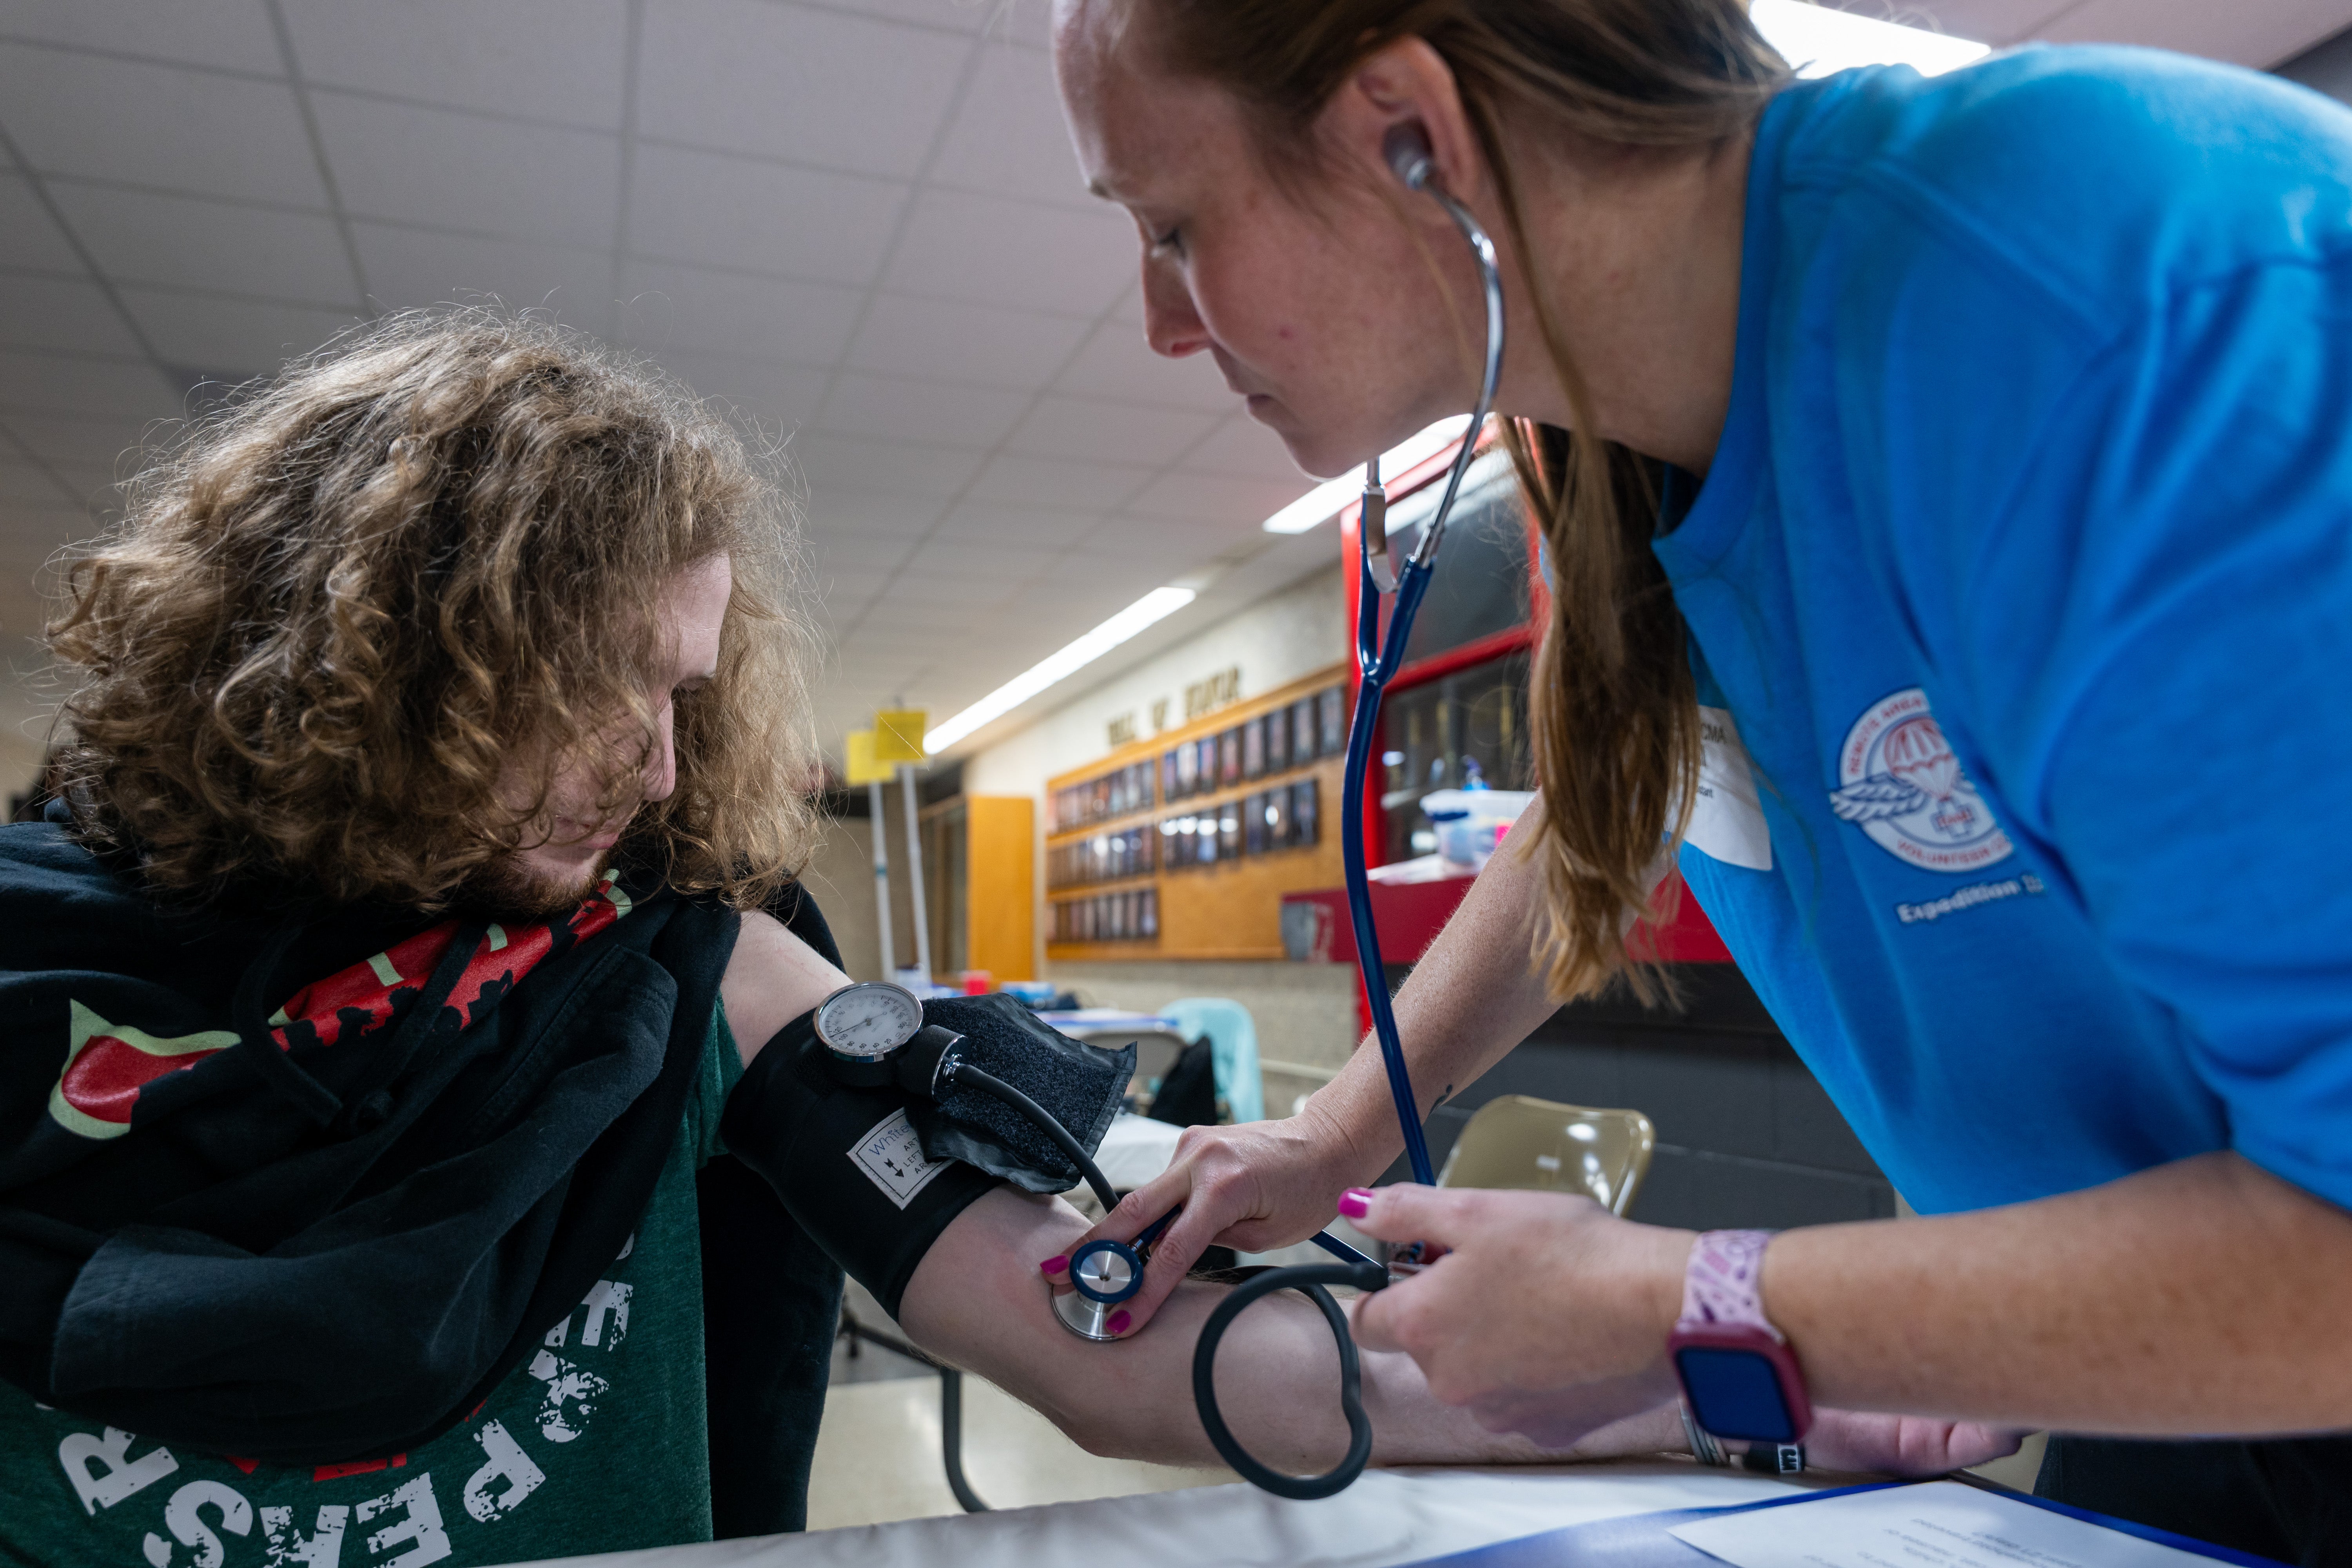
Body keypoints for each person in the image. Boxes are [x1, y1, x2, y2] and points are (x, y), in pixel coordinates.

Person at [0, 312, 1683, 1567]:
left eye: (686, 695)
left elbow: (1109, 1345)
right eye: (612, 685)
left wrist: (1726, 1382)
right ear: (431, 654)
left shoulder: (689, 976)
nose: (664, 767)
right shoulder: (33, 986)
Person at [1051, 0, 2352, 1557]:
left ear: (1408, 128)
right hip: (2201, 1372)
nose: (1163, 321)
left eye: (1174, 225)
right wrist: (1335, 1136)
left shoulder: (2085, 306)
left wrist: (1691, 1302)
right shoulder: (1642, 436)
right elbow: (1624, 793)